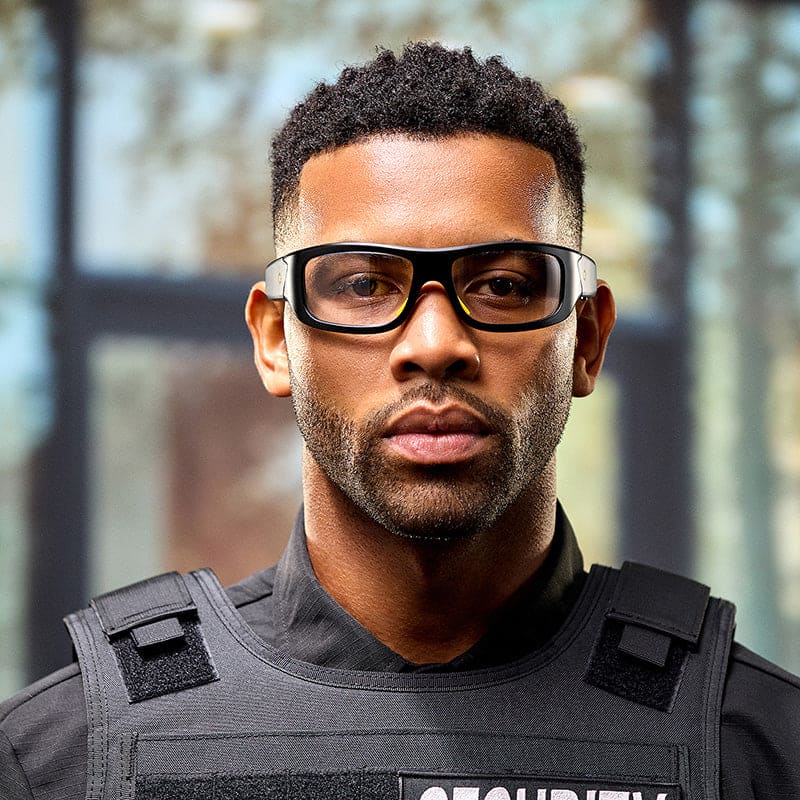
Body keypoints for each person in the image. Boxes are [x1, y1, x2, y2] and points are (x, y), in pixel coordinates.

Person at [1, 42, 798, 800]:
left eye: (504, 286)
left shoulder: (762, 750)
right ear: (277, 341)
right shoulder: (60, 759)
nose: (435, 344)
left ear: (585, 339)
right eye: (361, 285)